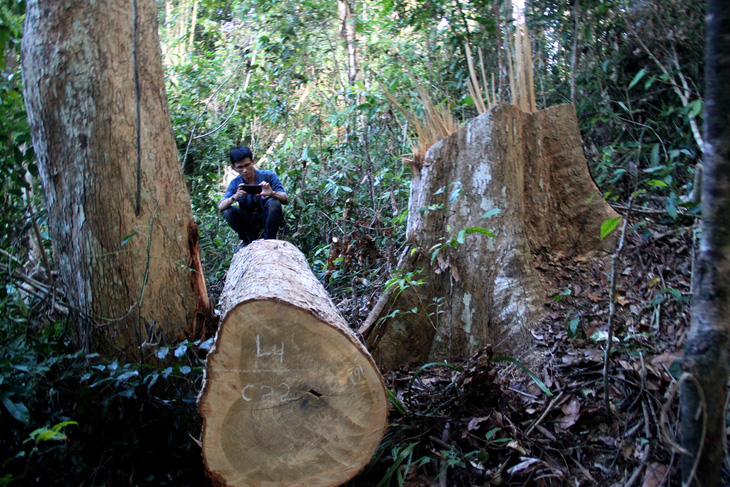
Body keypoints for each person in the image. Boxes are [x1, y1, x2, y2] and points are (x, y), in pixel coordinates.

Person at [218, 146, 287, 248]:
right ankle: (249, 239)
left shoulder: (268, 176)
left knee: (274, 202)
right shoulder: (235, 183)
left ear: (253, 162)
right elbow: (221, 206)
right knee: (228, 211)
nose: (245, 170)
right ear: (234, 168)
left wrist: (272, 193)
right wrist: (234, 197)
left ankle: (269, 238)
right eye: (240, 167)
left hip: (267, 218)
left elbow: (285, 198)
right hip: (249, 221)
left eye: (247, 165)